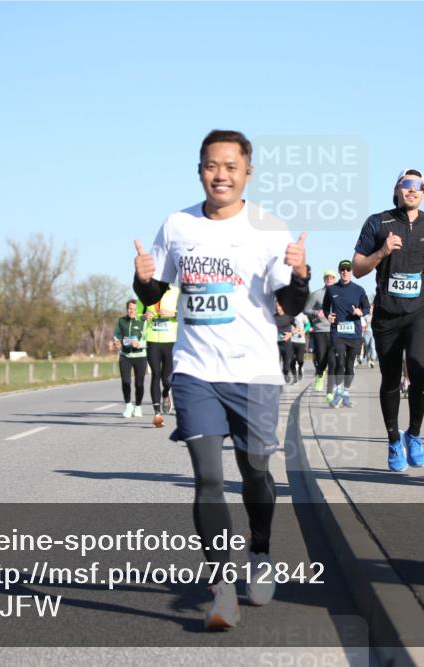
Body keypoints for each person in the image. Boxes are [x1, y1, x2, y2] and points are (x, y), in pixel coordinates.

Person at [133, 129, 308, 630]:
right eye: (212, 165)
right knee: (208, 477)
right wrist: (143, 278)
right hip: (195, 371)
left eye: (231, 166)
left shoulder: (270, 230)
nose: (221, 174)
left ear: (247, 173)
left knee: (255, 471)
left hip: (253, 373)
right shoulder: (178, 225)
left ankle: (260, 550)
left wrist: (299, 276)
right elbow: (152, 295)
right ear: (200, 170)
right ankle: (222, 588)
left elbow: (290, 307)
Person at [352, 169, 424, 472]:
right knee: (391, 378)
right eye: (407, 184)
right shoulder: (378, 223)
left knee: (419, 373)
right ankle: (394, 441)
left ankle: (414, 435)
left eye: (419, 186)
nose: (413, 190)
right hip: (388, 313)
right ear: (397, 189)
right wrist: (381, 251)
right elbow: (357, 268)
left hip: (421, 310)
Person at [321, 259, 370, 408]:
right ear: (339, 271)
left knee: (349, 365)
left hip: (354, 334)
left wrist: (360, 312)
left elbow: (367, 308)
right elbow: (325, 307)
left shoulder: (359, 290)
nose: (345, 272)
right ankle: (337, 393)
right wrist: (327, 316)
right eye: (342, 269)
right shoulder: (331, 290)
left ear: (351, 272)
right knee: (339, 362)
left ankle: (346, 394)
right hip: (337, 333)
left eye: (348, 269)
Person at [138, 285, 179, 427]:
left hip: (170, 341)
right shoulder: (145, 291)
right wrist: (144, 316)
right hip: (152, 340)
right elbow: (137, 314)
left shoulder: (175, 292)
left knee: (167, 380)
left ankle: (166, 393)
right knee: (155, 374)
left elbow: (186, 313)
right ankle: (157, 413)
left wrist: (173, 314)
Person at [113, 299, 148, 418]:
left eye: (134, 309)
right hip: (125, 356)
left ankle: (138, 406)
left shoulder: (142, 321)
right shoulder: (121, 321)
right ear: (126, 309)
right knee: (126, 381)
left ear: (137, 310)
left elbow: (147, 339)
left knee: (139, 384)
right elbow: (116, 334)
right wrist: (117, 341)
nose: (131, 311)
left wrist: (139, 344)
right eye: (129, 309)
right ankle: (128, 405)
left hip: (140, 356)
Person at [304, 269, 336, 397]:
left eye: (331, 277)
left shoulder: (339, 293)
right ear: (324, 279)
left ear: (335, 279)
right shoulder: (317, 294)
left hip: (335, 330)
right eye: (327, 277)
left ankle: (330, 390)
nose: (329, 279)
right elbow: (306, 309)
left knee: (333, 361)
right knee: (321, 358)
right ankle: (320, 375)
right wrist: (317, 313)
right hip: (320, 330)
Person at [275, 301, 295, 383]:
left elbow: (297, 328)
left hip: (286, 344)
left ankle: (286, 373)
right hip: (276, 343)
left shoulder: (289, 316)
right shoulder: (273, 317)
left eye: (279, 306)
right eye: (276, 306)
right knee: (275, 362)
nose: (278, 308)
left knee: (286, 364)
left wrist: (291, 334)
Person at [290, 308, 310, 383]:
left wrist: (304, 331)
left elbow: (308, 325)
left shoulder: (303, 315)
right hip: (291, 340)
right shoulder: (289, 315)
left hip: (301, 341)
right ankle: (294, 376)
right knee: (291, 360)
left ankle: (300, 369)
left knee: (300, 359)